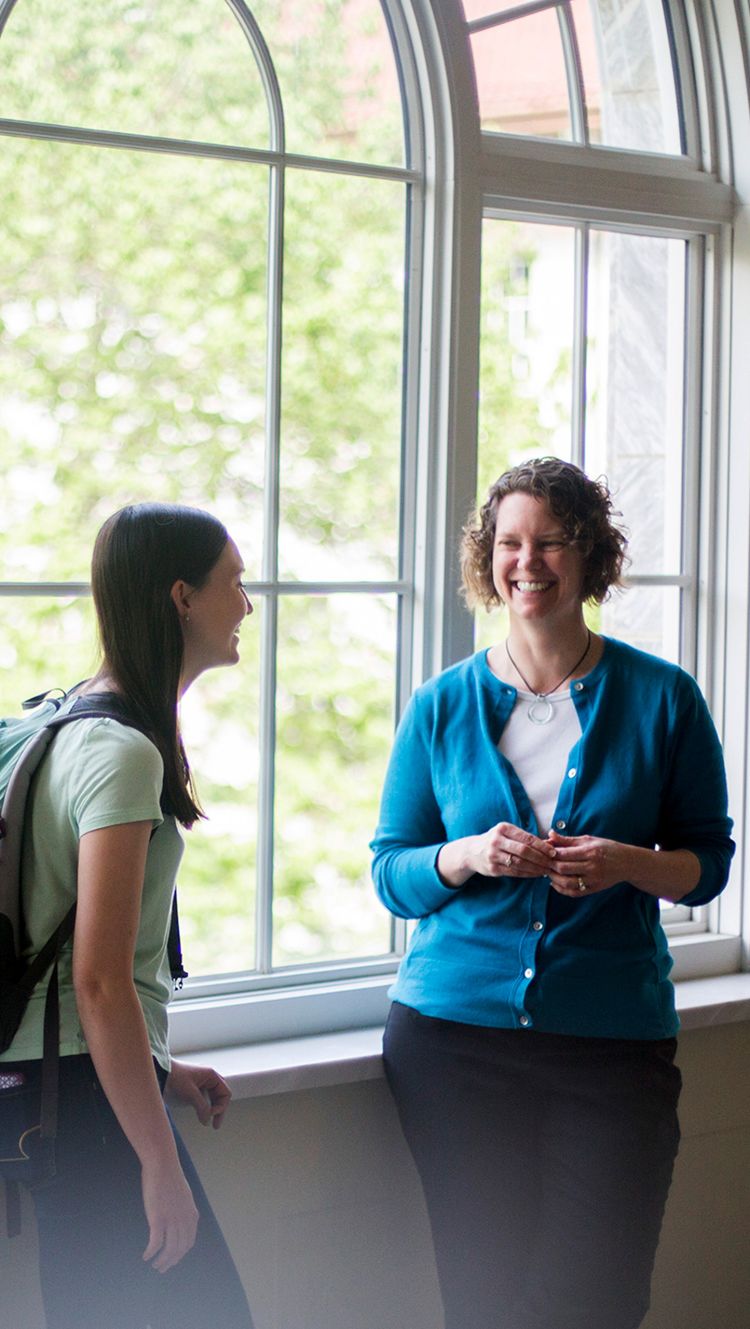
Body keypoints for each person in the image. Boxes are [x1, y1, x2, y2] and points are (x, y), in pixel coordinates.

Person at [371, 457, 734, 1329]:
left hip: (610, 1047)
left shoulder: (665, 698)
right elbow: (392, 871)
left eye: (550, 541)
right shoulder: (440, 705)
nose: (526, 561)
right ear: (486, 559)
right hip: (451, 1044)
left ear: (591, 555)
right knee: (483, 1294)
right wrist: (465, 855)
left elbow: (708, 861)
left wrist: (625, 863)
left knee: (597, 1296)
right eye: (508, 543)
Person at [0, 503, 255, 1329]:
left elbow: (59, 942)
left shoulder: (63, 716)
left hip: (58, 1082)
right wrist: (156, 1160)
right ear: (182, 596)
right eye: (235, 582)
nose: (247, 604)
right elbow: (100, 981)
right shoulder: (122, 750)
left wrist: (163, 1071)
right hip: (83, 1105)